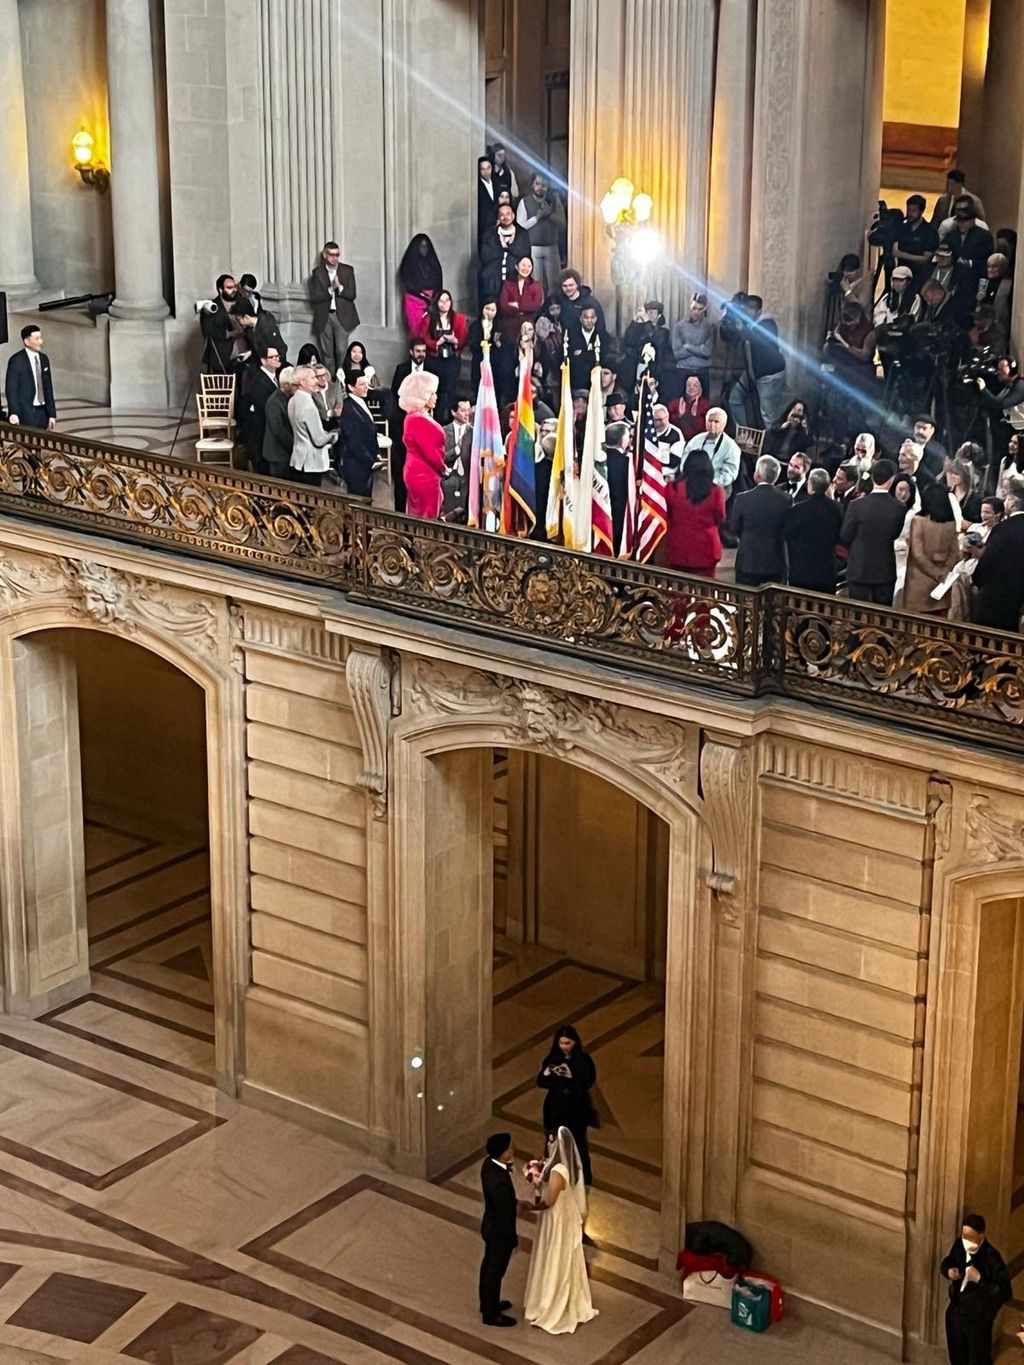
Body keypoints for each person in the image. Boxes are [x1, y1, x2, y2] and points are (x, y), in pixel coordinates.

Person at [523, 1127, 598, 1336]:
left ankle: (551, 1302)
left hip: (557, 1219)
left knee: (556, 1256)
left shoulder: (558, 1171)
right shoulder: (552, 1167)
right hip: (556, 1217)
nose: (547, 1145)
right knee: (552, 1254)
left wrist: (529, 1206)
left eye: (550, 1142)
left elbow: (549, 1201)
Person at [939, 1212, 1010, 1365]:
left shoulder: (992, 1258)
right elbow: (948, 1261)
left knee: (978, 1360)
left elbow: (1004, 1291)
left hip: (977, 1320)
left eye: (971, 1237)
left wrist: (980, 1280)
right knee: (957, 1356)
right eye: (964, 1236)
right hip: (956, 1312)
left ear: (981, 1236)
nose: (966, 1241)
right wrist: (949, 1270)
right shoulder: (960, 1246)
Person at [536, 1025, 596, 1187]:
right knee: (552, 1144)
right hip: (555, 1109)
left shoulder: (583, 1060)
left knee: (579, 1145)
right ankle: (550, 1177)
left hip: (576, 1110)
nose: (564, 1047)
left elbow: (588, 1082)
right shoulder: (553, 1058)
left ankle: (584, 1181)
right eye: (561, 1043)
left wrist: (571, 1076)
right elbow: (541, 1082)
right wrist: (547, 1074)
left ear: (575, 1042)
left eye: (567, 1043)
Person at [840, 459, 907, 604]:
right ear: (891, 480)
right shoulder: (899, 508)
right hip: (884, 572)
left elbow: (845, 536)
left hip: (859, 569)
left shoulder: (856, 506)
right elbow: (896, 535)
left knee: (857, 618)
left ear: (872, 477)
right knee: (881, 621)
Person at [479, 1132, 521, 1328]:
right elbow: (504, 1215)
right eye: (509, 1148)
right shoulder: (499, 1181)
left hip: (490, 1226)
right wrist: (512, 1240)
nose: (512, 1150)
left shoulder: (488, 1164)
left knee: (488, 1267)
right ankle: (491, 1313)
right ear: (503, 1154)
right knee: (495, 1272)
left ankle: (488, 1303)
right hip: (499, 1233)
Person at [663, 448, 726, 577]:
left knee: (677, 593)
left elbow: (668, 514)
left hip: (678, 547)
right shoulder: (716, 491)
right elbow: (720, 517)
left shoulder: (672, 488)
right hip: (706, 549)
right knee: (704, 593)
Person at [972, 476, 1024, 630]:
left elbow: (986, 565)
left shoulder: (1003, 529)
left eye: (1006, 498)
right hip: (1018, 604)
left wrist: (976, 580)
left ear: (1013, 503)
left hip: (994, 603)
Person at [731, 454, 790, 586]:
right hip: (775, 563)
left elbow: (734, 528)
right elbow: (787, 529)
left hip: (748, 562)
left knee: (745, 603)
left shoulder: (743, 499)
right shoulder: (786, 500)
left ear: (757, 474)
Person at [902, 481, 960, 615]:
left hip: (919, 583)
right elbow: (955, 553)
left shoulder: (918, 521)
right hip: (942, 583)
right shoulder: (951, 524)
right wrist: (944, 571)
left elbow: (917, 553)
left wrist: (935, 572)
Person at [784, 467, 842, 592]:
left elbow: (787, 535)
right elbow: (841, 536)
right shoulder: (837, 509)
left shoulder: (798, 510)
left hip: (801, 570)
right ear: (827, 486)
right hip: (826, 570)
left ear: (810, 484)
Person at [399, 369, 446, 518]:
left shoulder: (415, 417)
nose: (435, 397)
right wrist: (444, 469)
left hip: (419, 472)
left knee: (420, 514)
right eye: (432, 393)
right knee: (426, 517)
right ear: (421, 396)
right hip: (423, 474)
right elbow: (431, 453)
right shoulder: (417, 419)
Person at [309, 241, 359, 376]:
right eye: (331, 255)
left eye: (337, 255)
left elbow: (352, 295)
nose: (335, 258)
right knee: (327, 352)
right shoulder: (317, 272)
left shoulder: (347, 270)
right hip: (325, 316)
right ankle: (330, 381)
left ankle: (342, 381)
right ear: (324, 255)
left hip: (342, 316)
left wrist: (340, 287)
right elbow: (315, 297)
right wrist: (331, 289)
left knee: (342, 350)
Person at [419, 289, 468, 420]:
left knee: (450, 391)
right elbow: (423, 337)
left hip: (451, 359)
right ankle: (436, 420)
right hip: (434, 360)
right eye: (441, 301)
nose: (444, 304)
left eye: (447, 301)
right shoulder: (429, 319)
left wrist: (455, 341)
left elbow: (463, 338)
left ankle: (451, 420)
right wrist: (437, 342)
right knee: (436, 392)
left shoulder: (459, 318)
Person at [287, 365, 338, 486]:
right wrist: (333, 435)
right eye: (313, 377)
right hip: (311, 462)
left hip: (298, 458)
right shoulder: (308, 406)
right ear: (302, 382)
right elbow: (319, 441)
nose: (317, 381)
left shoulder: (292, 400)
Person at [515, 173, 565, 298]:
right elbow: (520, 227)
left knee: (554, 284)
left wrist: (550, 214)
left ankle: (552, 312)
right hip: (533, 248)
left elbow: (563, 224)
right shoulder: (524, 202)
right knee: (536, 284)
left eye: (544, 185)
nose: (540, 187)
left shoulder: (555, 200)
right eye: (537, 184)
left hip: (552, 248)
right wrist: (537, 217)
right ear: (532, 185)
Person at [238, 342, 281, 472]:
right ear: (263, 360)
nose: (277, 359)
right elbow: (264, 410)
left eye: (278, 356)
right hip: (262, 435)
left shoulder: (273, 377)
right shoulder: (259, 382)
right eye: (273, 357)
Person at [4, 324, 57, 430]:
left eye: (40, 338)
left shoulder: (44, 359)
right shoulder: (16, 361)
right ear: (27, 341)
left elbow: (48, 388)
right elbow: (11, 389)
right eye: (37, 339)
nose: (41, 341)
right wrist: (13, 412)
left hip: (43, 413)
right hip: (26, 413)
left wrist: (52, 414)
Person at [678, 408, 741, 498]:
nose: (712, 424)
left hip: (717, 487)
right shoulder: (696, 440)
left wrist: (708, 484)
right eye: (710, 421)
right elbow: (684, 459)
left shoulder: (731, 447)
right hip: (692, 483)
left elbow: (729, 474)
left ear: (724, 425)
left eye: (716, 422)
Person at [336, 371, 380, 498]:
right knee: (358, 503)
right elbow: (354, 441)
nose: (366, 387)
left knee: (366, 500)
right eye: (362, 384)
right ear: (351, 387)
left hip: (365, 463)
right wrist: (370, 461)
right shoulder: (349, 408)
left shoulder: (360, 402)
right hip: (357, 465)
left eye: (367, 383)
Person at [479, 203, 532, 302]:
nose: (505, 217)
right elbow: (485, 256)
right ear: (498, 217)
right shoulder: (490, 234)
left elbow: (524, 254)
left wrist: (507, 247)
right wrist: (501, 246)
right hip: (493, 282)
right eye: (502, 214)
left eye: (508, 214)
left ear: (513, 215)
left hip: (514, 280)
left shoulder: (522, 233)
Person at [233, 273, 288, 363]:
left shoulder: (266, 322)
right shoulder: (236, 300)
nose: (248, 294)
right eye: (245, 291)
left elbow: (272, 347)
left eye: (250, 292)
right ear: (240, 285)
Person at [669, 292, 714, 401]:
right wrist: (699, 348)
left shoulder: (709, 326)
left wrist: (688, 346)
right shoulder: (679, 326)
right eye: (694, 308)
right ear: (690, 306)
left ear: (704, 310)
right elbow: (677, 353)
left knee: (703, 406)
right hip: (683, 370)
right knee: (680, 405)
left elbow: (707, 351)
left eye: (700, 309)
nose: (696, 312)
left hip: (702, 370)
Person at [398, 233, 443, 337]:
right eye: (422, 247)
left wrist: (434, 299)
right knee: (417, 333)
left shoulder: (433, 262)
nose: (424, 250)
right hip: (414, 300)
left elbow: (439, 282)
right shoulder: (409, 262)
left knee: (432, 331)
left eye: (426, 246)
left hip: (433, 300)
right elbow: (407, 283)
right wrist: (423, 296)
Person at [946, 196, 994, 289]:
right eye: (959, 221)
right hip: (955, 278)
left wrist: (970, 263)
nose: (961, 224)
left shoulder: (983, 236)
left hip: (975, 278)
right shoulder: (952, 235)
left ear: (972, 221)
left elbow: (988, 260)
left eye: (964, 221)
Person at [893, 194, 940, 283]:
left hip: (920, 277)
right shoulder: (902, 228)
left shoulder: (930, 232)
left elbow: (926, 259)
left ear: (921, 211)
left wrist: (901, 254)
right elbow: (894, 251)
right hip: (901, 275)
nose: (910, 213)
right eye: (908, 210)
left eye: (913, 211)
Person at [498, 254, 544, 344]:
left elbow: (535, 305)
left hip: (528, 322)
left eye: (529, 266)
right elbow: (503, 305)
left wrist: (517, 305)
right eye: (523, 265)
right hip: (510, 323)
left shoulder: (536, 285)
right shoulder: (507, 284)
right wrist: (522, 309)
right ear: (516, 266)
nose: (526, 268)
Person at [262, 366, 297, 479]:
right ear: (286, 385)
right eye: (294, 384)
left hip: (286, 452)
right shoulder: (274, 402)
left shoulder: (289, 398)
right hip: (278, 454)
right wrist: (294, 445)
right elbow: (279, 430)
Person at [547, 269, 607, 334]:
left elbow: (600, 327)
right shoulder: (557, 300)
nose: (568, 288)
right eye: (565, 286)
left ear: (577, 284)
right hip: (564, 340)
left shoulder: (590, 302)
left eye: (571, 285)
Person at [567, 305, 609, 392]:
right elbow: (568, 358)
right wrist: (590, 354)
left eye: (592, 317)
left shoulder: (602, 336)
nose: (589, 321)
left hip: (596, 383)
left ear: (596, 318)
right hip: (576, 383)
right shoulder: (571, 335)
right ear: (581, 319)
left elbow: (604, 358)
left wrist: (582, 354)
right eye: (586, 318)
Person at [977, 253, 1013, 338]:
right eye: (988, 266)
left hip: (1000, 328)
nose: (990, 269)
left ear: (1002, 268)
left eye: (994, 266)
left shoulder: (1009, 285)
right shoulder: (983, 283)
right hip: (982, 326)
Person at [671, 374, 710, 444]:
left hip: (699, 443)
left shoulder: (707, 406)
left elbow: (707, 429)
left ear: (701, 389)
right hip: (677, 442)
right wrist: (679, 416)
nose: (691, 388)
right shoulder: (674, 404)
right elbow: (669, 425)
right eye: (688, 385)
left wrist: (695, 417)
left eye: (695, 385)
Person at [477, 154, 497, 248]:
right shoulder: (477, 187)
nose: (486, 171)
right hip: (484, 228)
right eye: (482, 169)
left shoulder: (497, 183)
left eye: (488, 168)